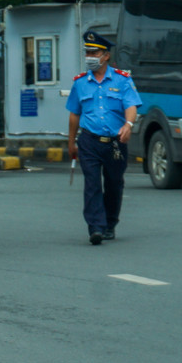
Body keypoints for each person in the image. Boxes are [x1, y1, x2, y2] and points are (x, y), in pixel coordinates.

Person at [65, 31, 141, 245]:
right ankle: (95, 227)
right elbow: (74, 114)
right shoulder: (80, 83)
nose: (90, 56)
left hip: (115, 143)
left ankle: (109, 223)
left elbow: (131, 106)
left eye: (94, 52)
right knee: (92, 184)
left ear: (106, 55)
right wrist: (71, 143)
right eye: (87, 52)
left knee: (114, 183)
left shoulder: (122, 80)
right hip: (88, 141)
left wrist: (128, 125)